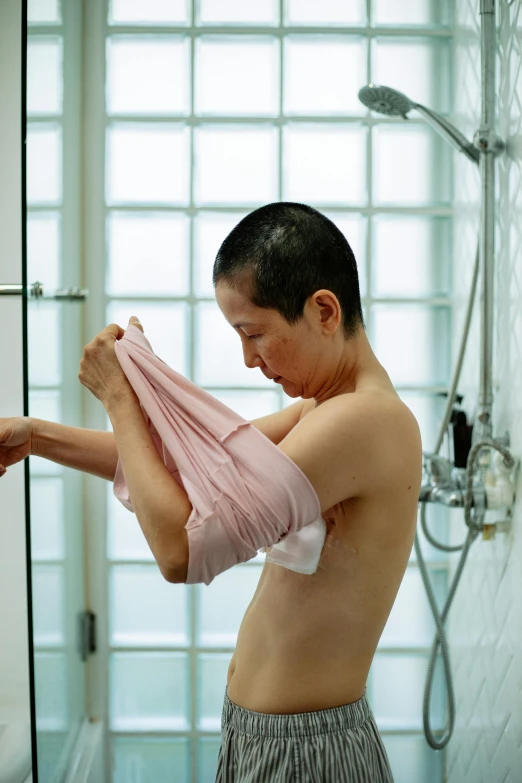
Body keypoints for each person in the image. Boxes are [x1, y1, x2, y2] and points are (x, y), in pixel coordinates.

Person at [0, 202, 422, 782]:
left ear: (324, 309)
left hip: (307, 756)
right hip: (273, 742)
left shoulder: (367, 422)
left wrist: (121, 399)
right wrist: (35, 436)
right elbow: (179, 472)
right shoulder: (321, 410)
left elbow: (184, 551)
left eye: (256, 334)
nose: (250, 360)